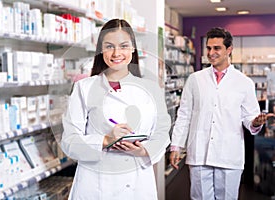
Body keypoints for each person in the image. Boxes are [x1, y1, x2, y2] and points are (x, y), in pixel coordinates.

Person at [61, 19, 171, 200]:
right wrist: (106, 140)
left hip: (137, 183)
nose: (116, 53)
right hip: (96, 183)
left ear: (133, 49)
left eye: (124, 46)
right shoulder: (84, 88)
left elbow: (162, 133)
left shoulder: (151, 89)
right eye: (109, 46)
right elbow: (69, 142)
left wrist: (143, 151)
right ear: (101, 50)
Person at [169, 27, 273, 200]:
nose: (211, 53)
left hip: (229, 154)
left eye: (216, 48)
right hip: (199, 153)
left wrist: (255, 122)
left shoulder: (243, 82)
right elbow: (184, 115)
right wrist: (176, 146)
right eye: (208, 48)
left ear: (229, 50)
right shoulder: (195, 79)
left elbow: (249, 117)